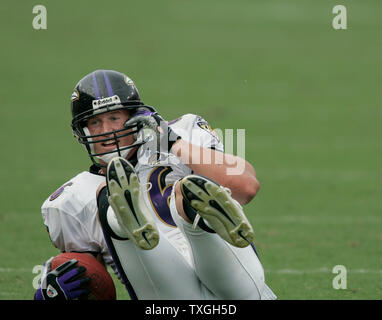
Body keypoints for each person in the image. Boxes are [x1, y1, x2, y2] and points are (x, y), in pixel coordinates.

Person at [35, 69, 276, 300]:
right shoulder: (73, 198)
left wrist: (173, 142)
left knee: (187, 192)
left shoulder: (182, 133)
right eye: (95, 122)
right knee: (107, 202)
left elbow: (245, 186)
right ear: (82, 131)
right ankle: (122, 217)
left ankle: (187, 209)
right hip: (167, 290)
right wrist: (53, 288)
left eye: (114, 118)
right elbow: (93, 283)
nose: (106, 130)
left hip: (235, 285)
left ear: (134, 117)